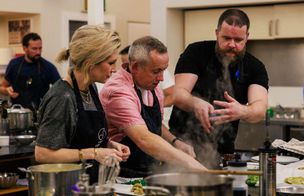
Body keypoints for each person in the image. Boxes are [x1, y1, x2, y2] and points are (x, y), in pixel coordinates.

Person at [169, 8, 269, 167]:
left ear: (247, 37)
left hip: (224, 152)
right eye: (226, 38)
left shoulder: (255, 67)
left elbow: (260, 108)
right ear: (216, 33)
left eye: (238, 40)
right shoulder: (195, 52)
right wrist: (195, 103)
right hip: (182, 145)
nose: (232, 45)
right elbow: (178, 94)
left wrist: (243, 111)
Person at [35, 25, 130, 184]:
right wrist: (93, 153)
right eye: (111, 63)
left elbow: (85, 139)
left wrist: (109, 146)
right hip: (67, 186)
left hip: (90, 184)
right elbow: (43, 153)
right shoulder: (62, 97)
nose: (115, 69)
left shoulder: (90, 87)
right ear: (91, 62)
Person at [100, 36, 207, 178]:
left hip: (148, 172)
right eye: (156, 71)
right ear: (135, 66)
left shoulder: (152, 86)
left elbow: (153, 126)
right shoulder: (118, 91)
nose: (161, 78)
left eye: (164, 70)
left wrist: (176, 142)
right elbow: (144, 138)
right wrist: (191, 164)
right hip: (120, 175)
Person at [0, 33, 60, 111]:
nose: (38, 52)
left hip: (41, 114)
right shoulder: (14, 64)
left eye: (40, 48)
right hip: (17, 114)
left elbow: (61, 90)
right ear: (25, 48)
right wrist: (7, 91)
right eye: (34, 49)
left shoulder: (48, 67)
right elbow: (2, 87)